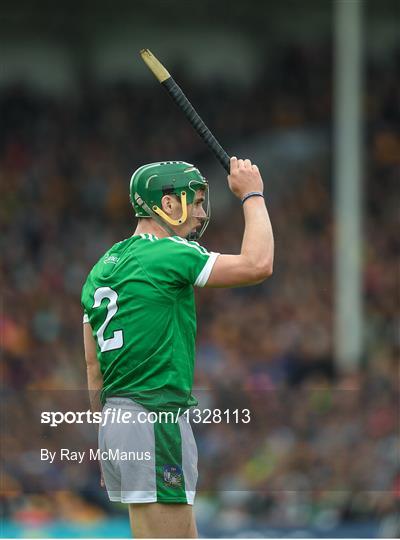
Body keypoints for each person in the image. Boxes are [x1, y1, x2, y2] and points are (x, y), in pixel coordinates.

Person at [82, 156, 274, 537]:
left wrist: (113, 438)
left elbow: (93, 369)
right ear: (167, 204)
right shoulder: (167, 253)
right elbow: (258, 265)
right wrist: (253, 194)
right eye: (196, 200)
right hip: (155, 417)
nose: (202, 214)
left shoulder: (102, 267)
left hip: (119, 420)